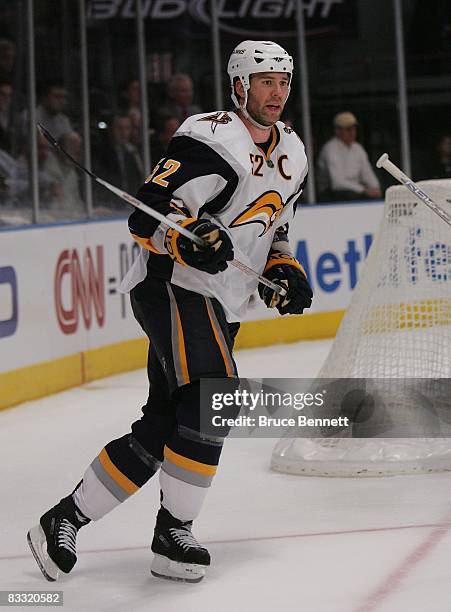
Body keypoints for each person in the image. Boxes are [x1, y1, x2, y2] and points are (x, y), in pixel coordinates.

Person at [27, 40, 312, 584]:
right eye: (264, 81)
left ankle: (65, 518)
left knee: (164, 425)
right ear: (239, 86)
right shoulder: (211, 138)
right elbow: (148, 214)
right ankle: (173, 530)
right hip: (173, 286)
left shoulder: (293, 152)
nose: (276, 91)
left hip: (221, 300)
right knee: (214, 396)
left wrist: (283, 268)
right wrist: (187, 238)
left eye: (282, 80)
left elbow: (275, 229)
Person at [316, 111, 381, 202]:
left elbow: (367, 173)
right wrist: (364, 190)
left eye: (353, 129)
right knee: (350, 194)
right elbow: (337, 183)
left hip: (355, 191)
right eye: (348, 129)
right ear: (337, 131)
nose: (352, 132)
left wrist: (375, 187)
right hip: (332, 194)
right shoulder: (330, 148)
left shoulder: (358, 148)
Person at [92, 113, 143, 210]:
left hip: (130, 206)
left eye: (127, 128)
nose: (123, 133)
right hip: (108, 206)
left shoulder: (132, 153)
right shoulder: (99, 153)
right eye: (119, 128)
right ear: (111, 129)